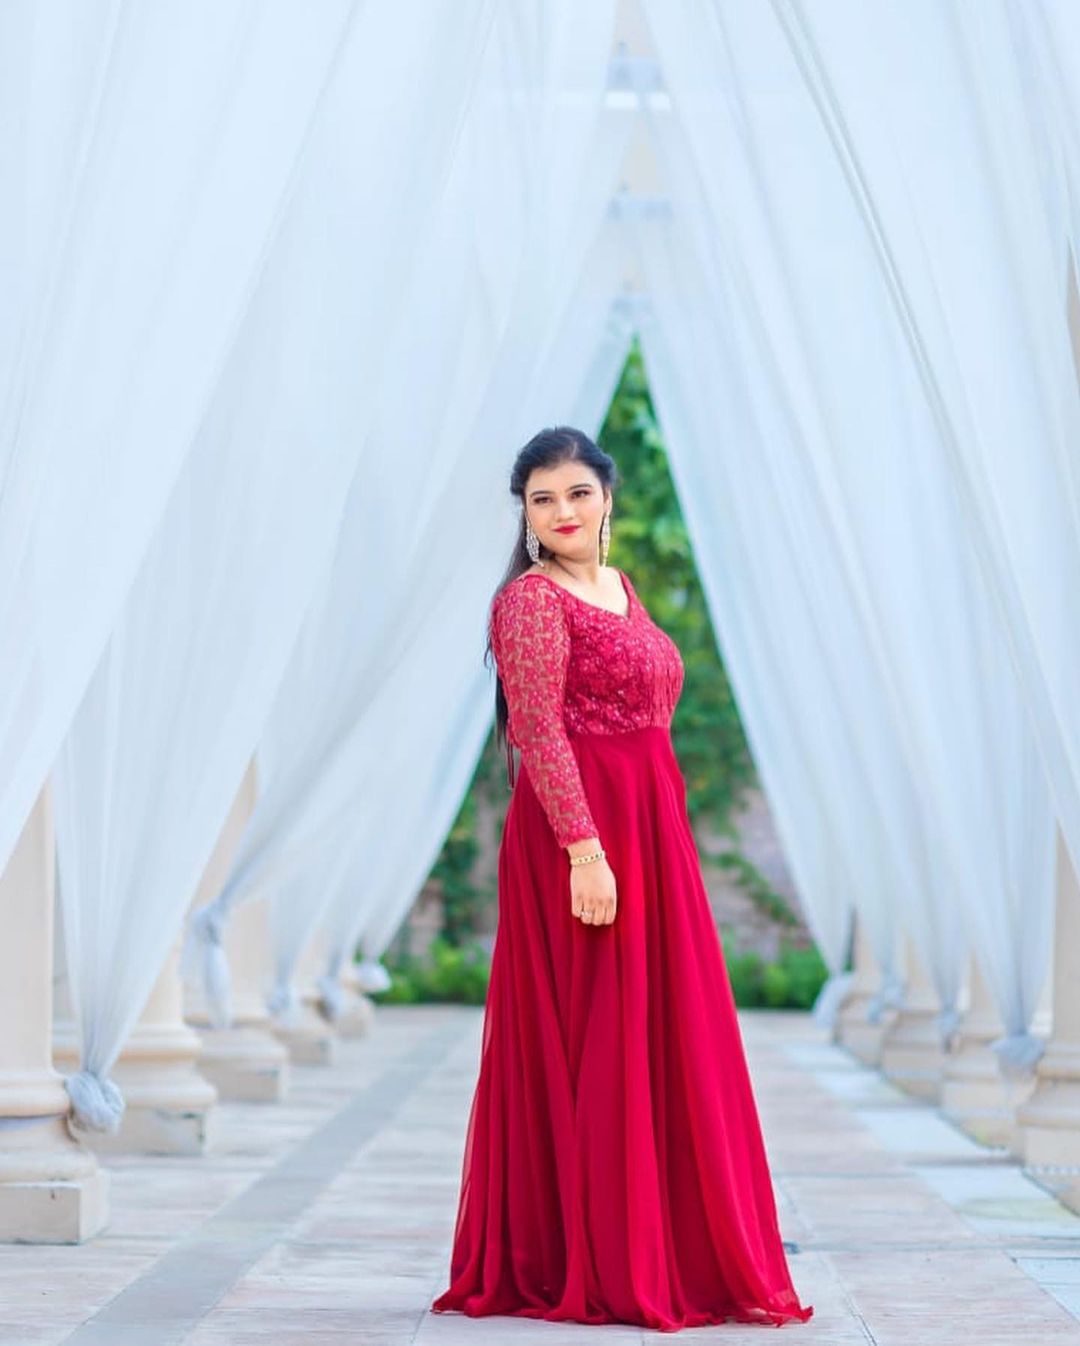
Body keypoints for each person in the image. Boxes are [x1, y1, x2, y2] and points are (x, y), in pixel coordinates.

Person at [430, 426, 813, 1331]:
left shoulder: (619, 588)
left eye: (576, 493)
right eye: (541, 499)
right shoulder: (530, 602)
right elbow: (536, 729)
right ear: (523, 516)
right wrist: (585, 850)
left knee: (660, 1030)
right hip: (584, 835)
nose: (562, 512)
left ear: (607, 496)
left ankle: (666, 1245)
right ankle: (602, 1259)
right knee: (602, 1037)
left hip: (651, 828)